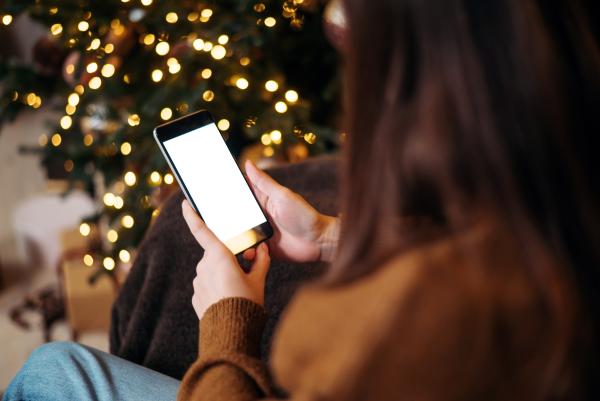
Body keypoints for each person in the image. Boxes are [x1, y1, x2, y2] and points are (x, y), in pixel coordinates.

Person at [5, 0, 600, 400]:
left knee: (48, 374)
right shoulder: (557, 221)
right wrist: (327, 236)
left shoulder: (380, 328)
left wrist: (227, 322)